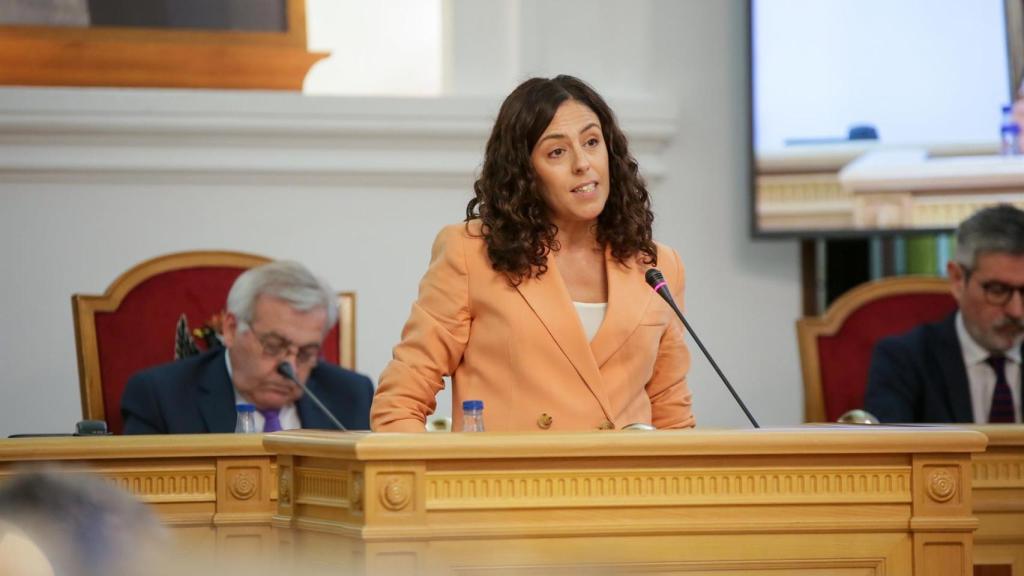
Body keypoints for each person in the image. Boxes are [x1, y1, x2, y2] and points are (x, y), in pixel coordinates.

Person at [371, 75, 695, 432]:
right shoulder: (471, 254)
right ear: (525, 172)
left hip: (623, 484)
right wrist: (441, 484)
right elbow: (398, 405)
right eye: (557, 151)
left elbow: (672, 416)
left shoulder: (657, 266)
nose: (582, 163)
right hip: (514, 483)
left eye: (591, 142)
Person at [121, 261, 374, 433]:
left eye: (307, 353)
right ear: (231, 329)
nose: (290, 368)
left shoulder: (351, 397)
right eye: (274, 345)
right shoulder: (162, 398)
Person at [865, 204, 1024, 423]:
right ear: (957, 280)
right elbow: (889, 453)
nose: (1016, 310)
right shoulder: (904, 360)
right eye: (997, 291)